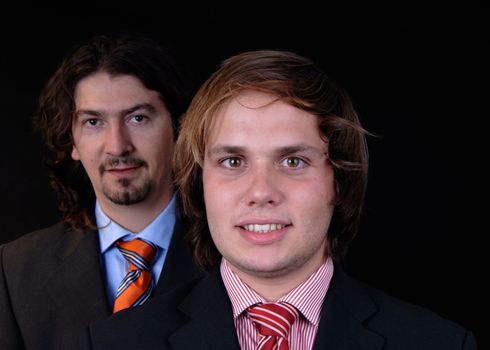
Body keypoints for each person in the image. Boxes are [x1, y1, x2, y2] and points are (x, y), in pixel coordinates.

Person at [81, 50, 478, 349]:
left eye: (292, 160)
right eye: (233, 161)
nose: (261, 192)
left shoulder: (438, 343)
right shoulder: (118, 343)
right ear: (201, 182)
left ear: (338, 179)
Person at [0, 34, 203, 349]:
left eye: (138, 118)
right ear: (72, 142)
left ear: (178, 128)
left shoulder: (230, 253)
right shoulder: (15, 271)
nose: (118, 145)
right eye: (93, 122)